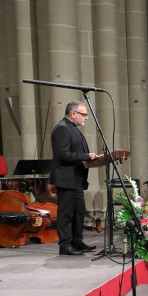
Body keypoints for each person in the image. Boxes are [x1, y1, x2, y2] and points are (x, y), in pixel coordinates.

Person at [51, 101, 100, 256]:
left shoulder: (72, 128)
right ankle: (65, 245)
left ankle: (77, 241)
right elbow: (63, 154)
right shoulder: (62, 129)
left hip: (76, 180)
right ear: (73, 114)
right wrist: (86, 156)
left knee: (78, 213)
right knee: (66, 214)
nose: (86, 118)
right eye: (84, 115)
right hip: (66, 180)